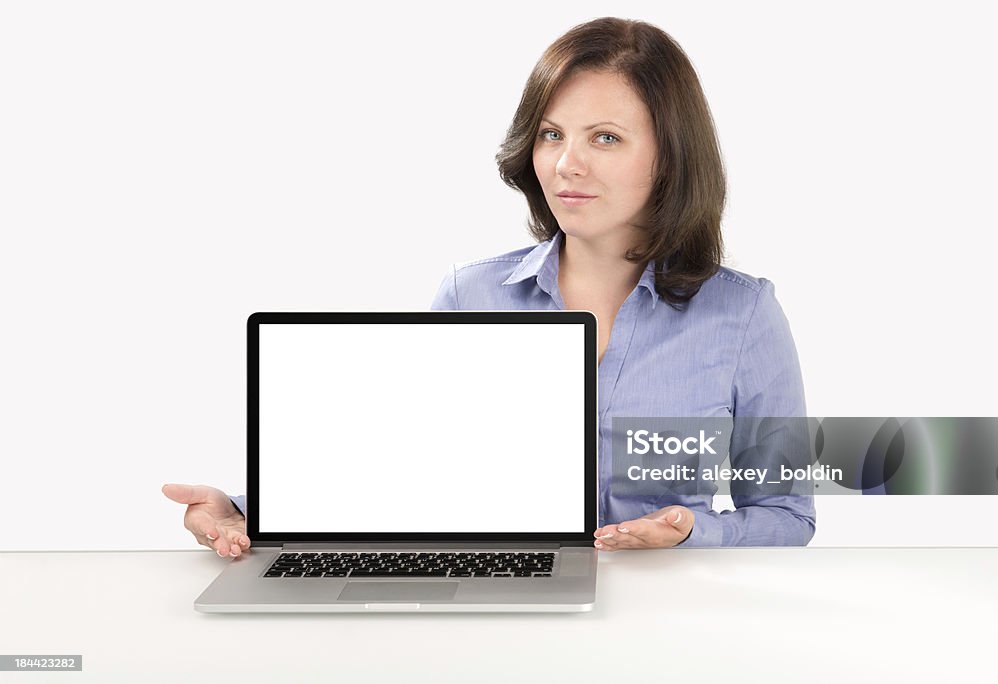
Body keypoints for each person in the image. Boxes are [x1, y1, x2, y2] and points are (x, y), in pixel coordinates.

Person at [164, 17, 814, 556]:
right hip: (505, 607)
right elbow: (395, 469)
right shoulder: (471, 295)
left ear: (670, 154)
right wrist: (246, 509)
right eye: (551, 134)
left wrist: (692, 534)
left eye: (605, 138)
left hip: (677, 622)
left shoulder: (743, 314)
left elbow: (788, 513)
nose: (566, 164)